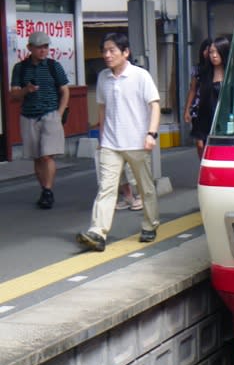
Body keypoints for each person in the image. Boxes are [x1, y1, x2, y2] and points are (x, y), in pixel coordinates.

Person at [77, 32, 160, 252]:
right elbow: (103, 109)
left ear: (125, 52)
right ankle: (98, 232)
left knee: (145, 189)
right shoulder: (104, 77)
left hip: (137, 143)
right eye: (104, 50)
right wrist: (102, 139)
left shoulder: (140, 76)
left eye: (112, 50)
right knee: (106, 188)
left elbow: (155, 106)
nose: (107, 54)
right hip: (111, 145)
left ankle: (150, 224)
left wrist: (151, 134)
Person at [9, 31, 70, 209]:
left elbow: (65, 90)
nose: (43, 50)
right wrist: (26, 90)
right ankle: (44, 189)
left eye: (46, 47)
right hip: (28, 116)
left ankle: (48, 190)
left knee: (47, 155)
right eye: (39, 47)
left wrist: (60, 112)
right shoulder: (20, 68)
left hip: (50, 114)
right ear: (30, 48)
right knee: (37, 157)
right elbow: (14, 94)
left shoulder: (53, 66)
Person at [194, 36, 230, 150]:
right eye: (211, 52)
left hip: (229, 125)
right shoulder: (205, 75)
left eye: (217, 52)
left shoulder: (233, 75)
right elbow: (202, 106)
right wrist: (199, 135)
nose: (214, 55)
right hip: (209, 125)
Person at [183, 38, 212, 158]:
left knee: (209, 142)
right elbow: (193, 89)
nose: (207, 52)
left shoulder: (217, 69)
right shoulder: (197, 69)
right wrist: (187, 110)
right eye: (205, 49)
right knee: (199, 143)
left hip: (212, 108)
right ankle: (202, 164)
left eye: (210, 50)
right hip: (198, 110)